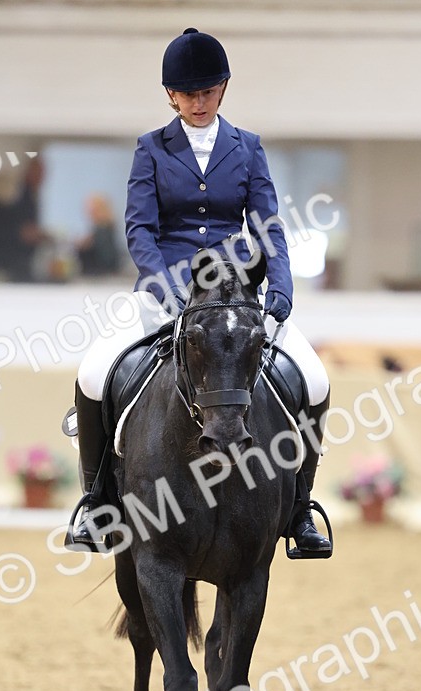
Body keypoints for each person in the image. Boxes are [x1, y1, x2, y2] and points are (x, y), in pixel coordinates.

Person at [69, 27, 331, 556]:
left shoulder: (247, 148)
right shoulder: (151, 150)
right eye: (188, 94)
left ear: (223, 88)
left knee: (316, 380)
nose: (198, 102)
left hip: (234, 297)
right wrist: (165, 286)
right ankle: (97, 501)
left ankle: (300, 509)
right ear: (171, 94)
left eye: (207, 92)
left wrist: (279, 290)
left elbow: (267, 226)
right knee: (94, 372)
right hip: (166, 293)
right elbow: (140, 230)